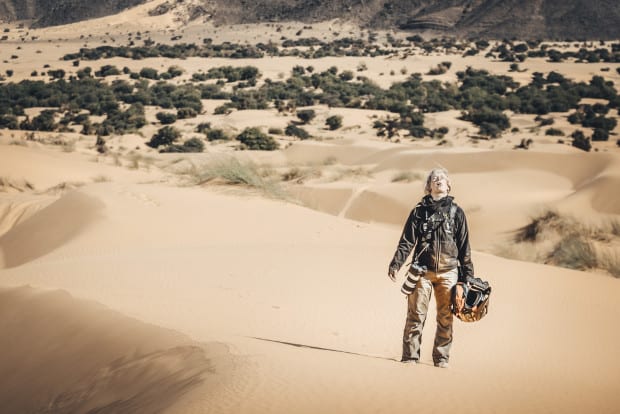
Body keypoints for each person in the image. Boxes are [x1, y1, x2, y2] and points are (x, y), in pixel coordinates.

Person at [387, 167, 474, 368]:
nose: (438, 180)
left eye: (442, 178)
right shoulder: (419, 211)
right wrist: (396, 263)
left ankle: (441, 358)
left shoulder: (457, 213)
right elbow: (406, 241)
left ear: (448, 185)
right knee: (415, 315)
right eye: (434, 178)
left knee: (445, 318)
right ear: (429, 186)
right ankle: (410, 357)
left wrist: (468, 276)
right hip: (421, 271)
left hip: (449, 272)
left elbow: (464, 246)